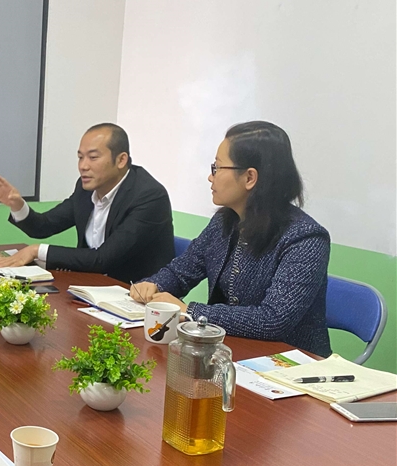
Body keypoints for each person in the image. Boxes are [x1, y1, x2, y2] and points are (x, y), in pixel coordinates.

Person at [131, 121, 331, 356]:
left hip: (287, 362)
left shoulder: (305, 238)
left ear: (250, 178)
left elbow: (273, 319)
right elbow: (182, 271)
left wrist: (191, 311)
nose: (210, 177)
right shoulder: (224, 222)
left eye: (217, 168)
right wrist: (154, 285)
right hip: (227, 350)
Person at [0, 123, 175, 283]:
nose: (83, 166)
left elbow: (103, 259)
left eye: (93, 157)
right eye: (80, 157)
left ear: (121, 160)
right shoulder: (85, 189)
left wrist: (36, 250)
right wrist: (17, 205)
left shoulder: (149, 196)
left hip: (137, 295)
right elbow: (43, 226)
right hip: (91, 285)